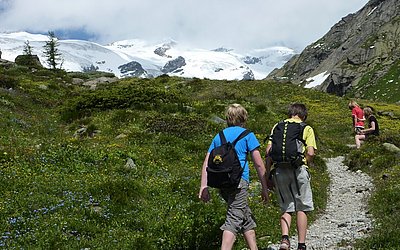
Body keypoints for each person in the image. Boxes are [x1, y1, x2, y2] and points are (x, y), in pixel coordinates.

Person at [199, 103, 269, 250]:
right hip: (239, 182)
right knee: (234, 219)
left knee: (245, 217)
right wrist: (265, 187)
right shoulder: (248, 135)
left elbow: (206, 162)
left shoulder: (219, 136)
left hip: (223, 182)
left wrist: (203, 186)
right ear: (244, 118)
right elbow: (259, 164)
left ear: (228, 118)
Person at [265, 103, 317, 250]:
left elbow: (268, 151)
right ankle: (301, 245)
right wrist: (305, 161)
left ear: (290, 113)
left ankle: (285, 240)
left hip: (279, 170)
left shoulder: (277, 126)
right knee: (302, 207)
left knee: (286, 207)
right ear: (304, 115)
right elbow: (311, 152)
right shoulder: (306, 128)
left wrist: (268, 175)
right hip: (298, 169)